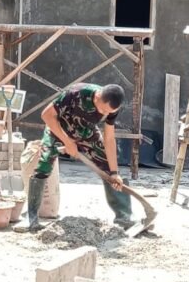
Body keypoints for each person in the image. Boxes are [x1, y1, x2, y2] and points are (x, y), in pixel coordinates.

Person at [14, 82, 134, 233]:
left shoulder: (111, 108)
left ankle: (124, 217)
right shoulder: (76, 93)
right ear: (97, 97)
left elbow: (109, 138)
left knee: (108, 166)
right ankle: (31, 218)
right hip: (58, 128)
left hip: (86, 130)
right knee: (45, 161)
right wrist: (67, 142)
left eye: (109, 112)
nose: (105, 114)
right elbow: (46, 115)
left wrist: (114, 172)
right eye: (103, 110)